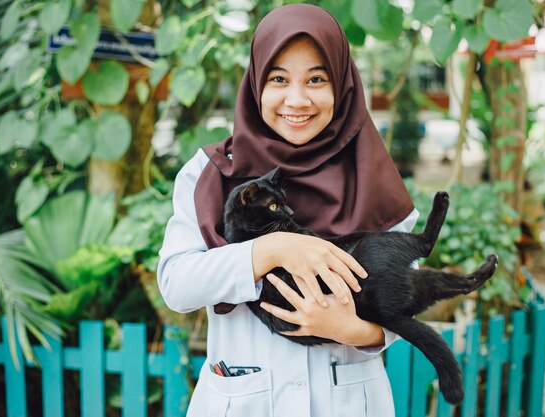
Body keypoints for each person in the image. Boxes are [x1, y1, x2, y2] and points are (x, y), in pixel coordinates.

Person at [157, 4, 419, 416]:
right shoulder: (210, 173)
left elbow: (403, 297)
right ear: (256, 83)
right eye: (279, 79)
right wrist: (272, 251)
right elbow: (177, 285)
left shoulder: (373, 177)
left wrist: (353, 330)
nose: (296, 100)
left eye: (316, 79)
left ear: (342, 85)